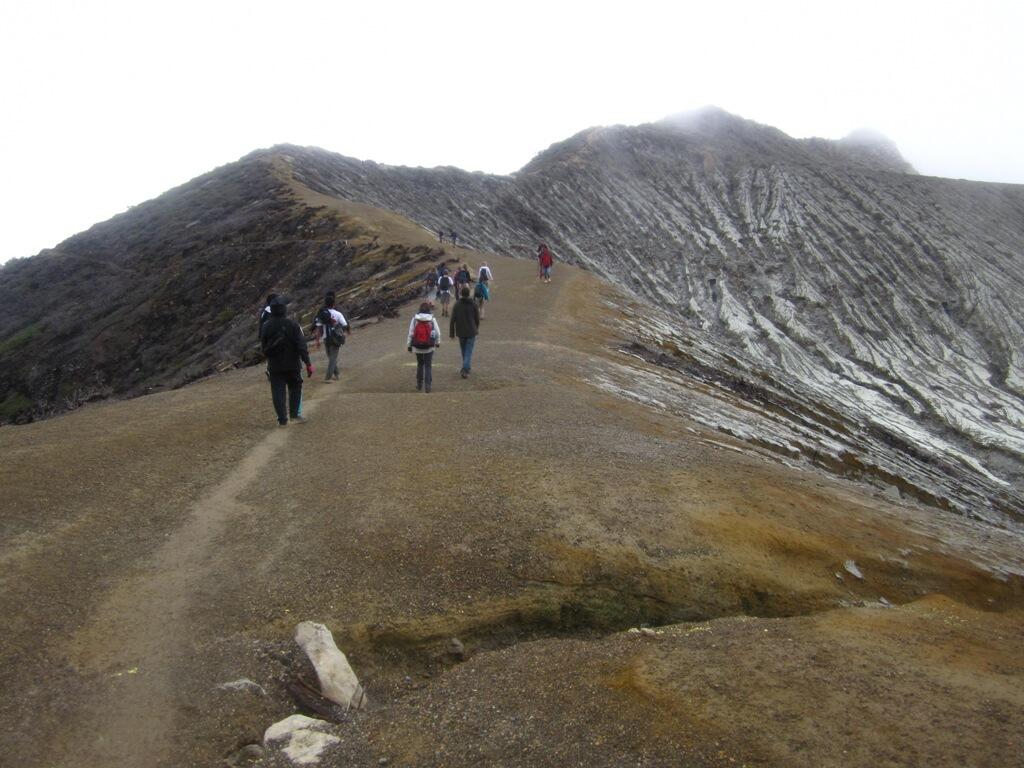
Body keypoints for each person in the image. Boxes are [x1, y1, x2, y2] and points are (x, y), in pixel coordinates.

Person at [259, 296, 313, 426]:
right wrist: (308, 363)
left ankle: (282, 419)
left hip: (274, 365)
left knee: (278, 391)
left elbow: (263, 346)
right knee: (295, 387)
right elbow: (301, 345)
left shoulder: (266, 326)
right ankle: (294, 415)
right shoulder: (293, 324)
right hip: (293, 364)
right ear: (284, 309)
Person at [314, 293, 349, 382]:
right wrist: (341, 332)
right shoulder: (338, 314)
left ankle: (337, 374)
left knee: (331, 357)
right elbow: (344, 325)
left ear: (325, 304)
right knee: (333, 358)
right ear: (334, 304)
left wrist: (317, 340)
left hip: (326, 338)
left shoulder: (322, 314)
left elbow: (318, 328)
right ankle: (328, 377)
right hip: (336, 338)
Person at [407, 302, 441, 392]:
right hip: (429, 346)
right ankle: (428, 386)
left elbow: (411, 333)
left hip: (417, 346)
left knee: (420, 364)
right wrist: (438, 342)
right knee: (428, 366)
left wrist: (409, 345)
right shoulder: (432, 319)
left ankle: (419, 384)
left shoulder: (415, 319)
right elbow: (437, 332)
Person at [449, 286, 480, 378]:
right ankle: (466, 368)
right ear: (469, 293)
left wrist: (452, 333)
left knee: (464, 350)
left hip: (461, 331)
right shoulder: (473, 304)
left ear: (461, 294)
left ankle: (465, 368)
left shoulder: (457, 304)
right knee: (468, 351)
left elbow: (452, 320)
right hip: (471, 331)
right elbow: (477, 318)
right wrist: (476, 328)